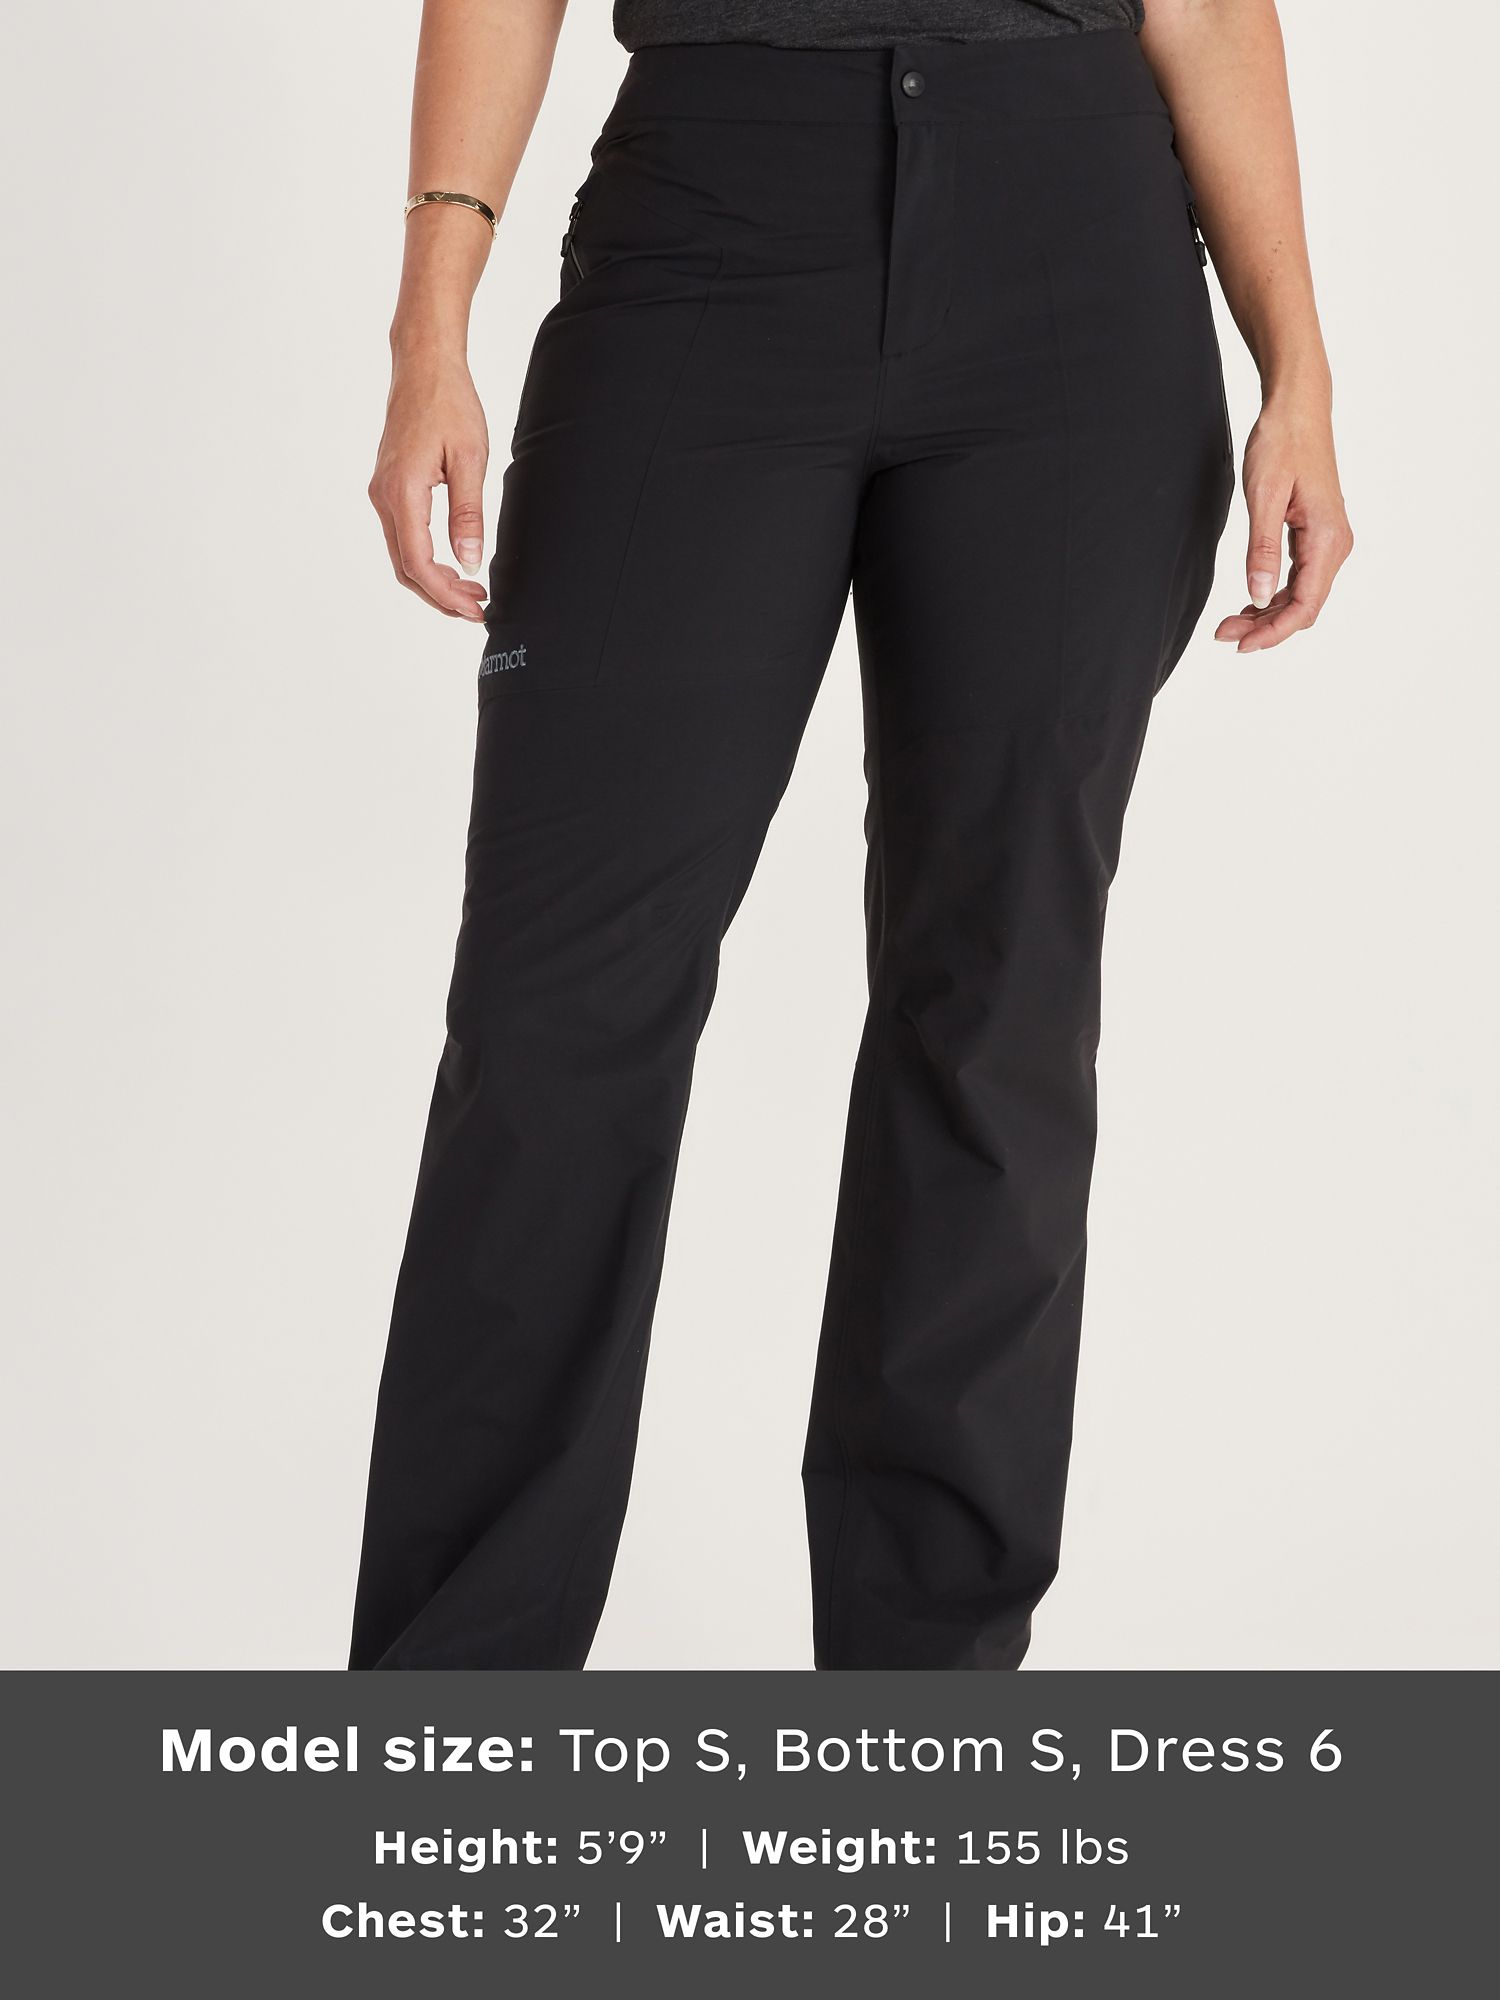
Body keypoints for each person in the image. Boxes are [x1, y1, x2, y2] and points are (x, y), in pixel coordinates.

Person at [351, 0, 1353, 1671]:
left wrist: (1297, 369)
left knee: (998, 1008)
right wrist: (428, 323)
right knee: (556, 1011)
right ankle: (453, 1716)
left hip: (1078, 256)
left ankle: (923, 1718)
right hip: (709, 224)